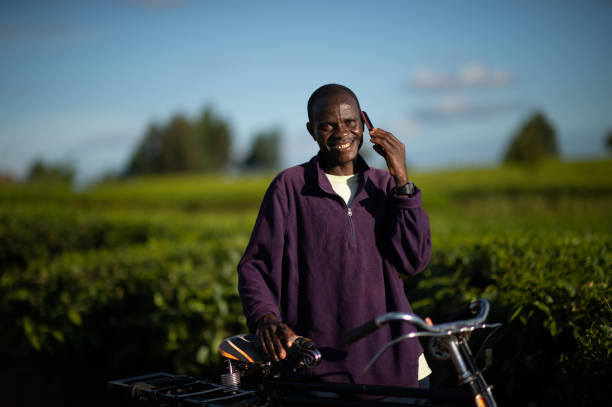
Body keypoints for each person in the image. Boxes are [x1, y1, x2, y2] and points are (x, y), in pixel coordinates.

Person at [237, 84, 431, 388]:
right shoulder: (290, 187)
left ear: (365, 123)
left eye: (350, 122)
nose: (342, 133)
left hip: (399, 369)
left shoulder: (385, 187)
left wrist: (402, 180)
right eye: (328, 125)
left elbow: (415, 261)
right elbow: (255, 267)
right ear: (311, 131)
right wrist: (266, 318)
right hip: (321, 373)